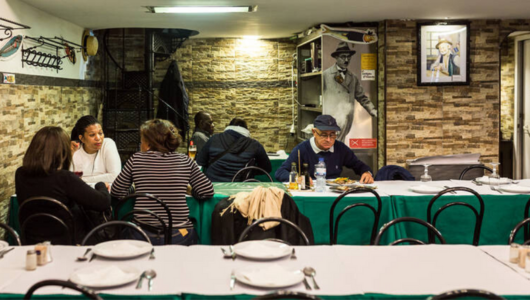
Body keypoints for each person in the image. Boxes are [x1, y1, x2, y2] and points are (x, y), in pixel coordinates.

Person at [111, 119, 214, 245]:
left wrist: (135, 188)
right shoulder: (184, 160)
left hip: (142, 234)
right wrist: (187, 189)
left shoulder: (136, 159)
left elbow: (116, 192)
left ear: (149, 143)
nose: (140, 143)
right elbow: (207, 191)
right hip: (179, 234)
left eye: (142, 140)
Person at [15, 126, 111, 243]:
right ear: (62, 151)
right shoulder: (64, 178)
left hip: (32, 241)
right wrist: (101, 185)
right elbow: (103, 202)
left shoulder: (20, 174)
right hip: (68, 243)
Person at [275, 115, 374, 184]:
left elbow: (358, 165)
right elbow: (280, 172)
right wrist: (296, 178)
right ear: (314, 132)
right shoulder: (301, 149)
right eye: (323, 135)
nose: (328, 139)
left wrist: (366, 172)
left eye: (332, 135)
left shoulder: (340, 148)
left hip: (336, 194)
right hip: (311, 193)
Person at [323, 42, 377, 142]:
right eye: (343, 57)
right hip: (332, 119)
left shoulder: (353, 77)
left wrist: (372, 110)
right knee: (332, 145)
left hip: (347, 118)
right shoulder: (326, 75)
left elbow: (361, 97)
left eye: (348, 57)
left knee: (340, 145)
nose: (346, 60)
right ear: (336, 57)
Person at [196, 118, 272, 182]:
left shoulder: (214, 139)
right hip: (239, 188)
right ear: (246, 130)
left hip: (212, 185)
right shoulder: (255, 145)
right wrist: (249, 172)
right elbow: (267, 168)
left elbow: (200, 161)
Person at [70, 115, 121, 184]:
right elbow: (69, 179)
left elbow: (115, 176)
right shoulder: (75, 150)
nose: (98, 138)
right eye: (92, 135)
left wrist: (82, 180)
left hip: (105, 192)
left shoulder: (108, 144)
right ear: (81, 138)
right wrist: (70, 154)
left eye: (100, 133)